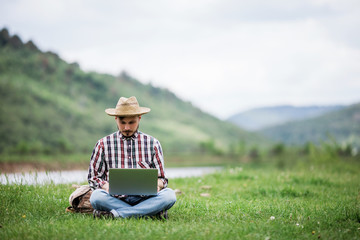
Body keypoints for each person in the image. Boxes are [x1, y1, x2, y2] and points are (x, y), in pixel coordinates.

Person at [88, 96, 176, 219]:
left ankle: (118, 214)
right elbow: (93, 178)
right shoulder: (103, 144)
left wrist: (157, 185)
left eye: (131, 122)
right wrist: (106, 186)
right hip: (114, 198)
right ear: (116, 119)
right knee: (96, 197)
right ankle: (147, 213)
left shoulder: (153, 143)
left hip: (145, 199)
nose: (127, 128)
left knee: (170, 195)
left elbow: (162, 179)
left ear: (139, 119)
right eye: (122, 123)